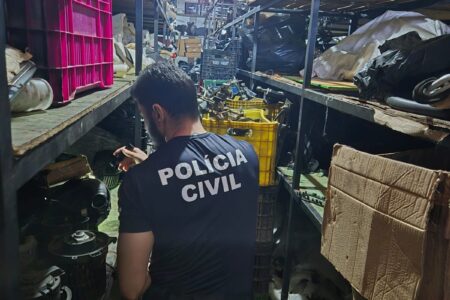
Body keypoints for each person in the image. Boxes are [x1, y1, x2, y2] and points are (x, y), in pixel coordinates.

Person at [115, 61, 259, 300]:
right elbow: (204, 186)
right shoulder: (247, 154)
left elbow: (132, 287)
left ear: (158, 113)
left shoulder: (140, 183)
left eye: (144, 115)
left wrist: (150, 172)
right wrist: (151, 165)